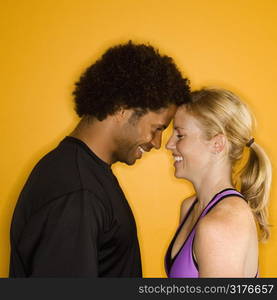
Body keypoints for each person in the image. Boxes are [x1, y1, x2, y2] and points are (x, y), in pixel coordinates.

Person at [10, 41, 191, 277]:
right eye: (157, 128)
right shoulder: (78, 193)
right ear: (122, 109)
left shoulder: (81, 175)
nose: (157, 143)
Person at [165, 88, 272, 278]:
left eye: (180, 135)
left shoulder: (221, 225)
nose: (169, 144)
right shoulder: (190, 207)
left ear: (217, 144)